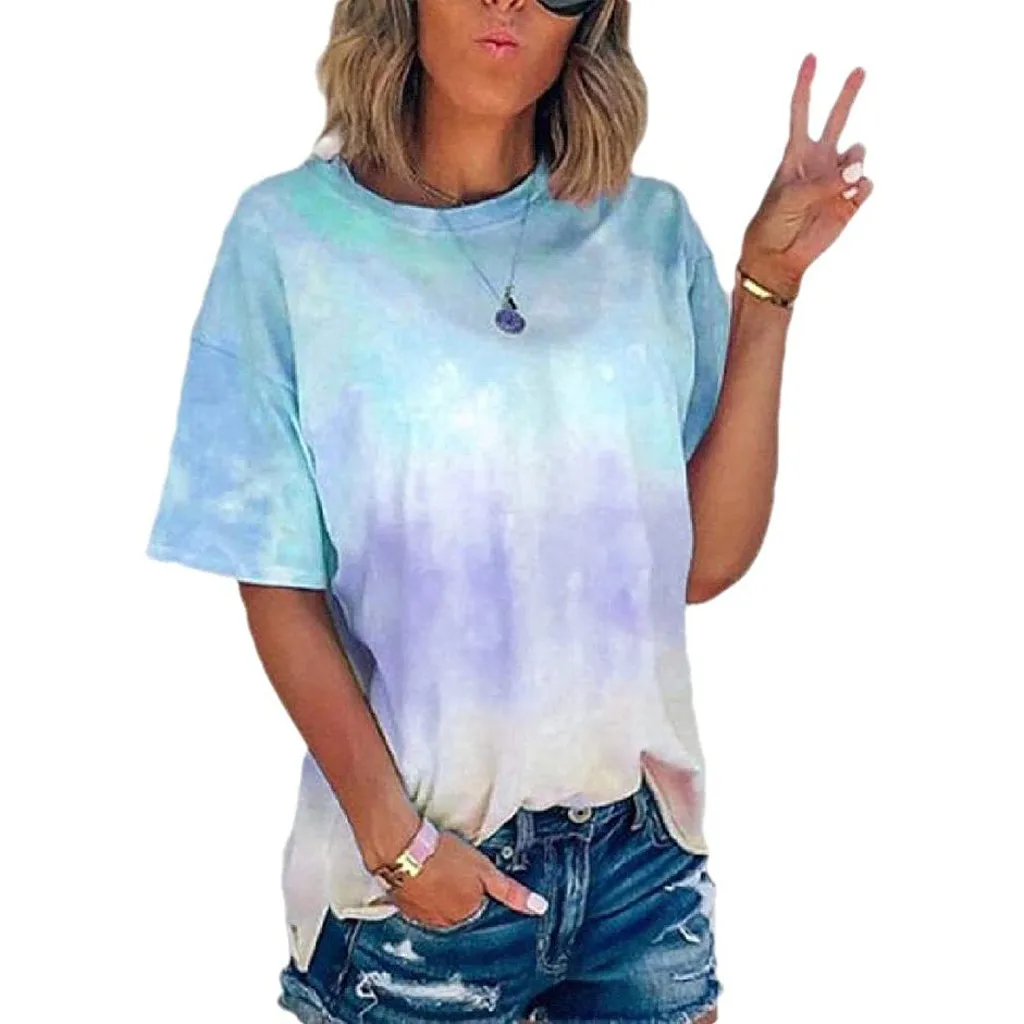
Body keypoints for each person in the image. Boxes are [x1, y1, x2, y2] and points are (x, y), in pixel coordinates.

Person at [145, 1, 871, 1020]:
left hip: (642, 867)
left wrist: (768, 287)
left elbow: (702, 560)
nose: (508, 1)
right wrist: (398, 845)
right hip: (415, 889)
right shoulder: (291, 242)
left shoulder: (647, 231)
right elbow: (275, 580)